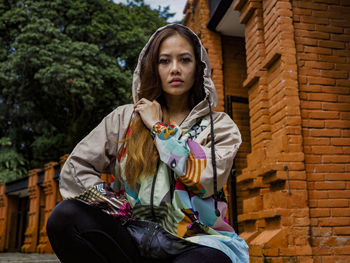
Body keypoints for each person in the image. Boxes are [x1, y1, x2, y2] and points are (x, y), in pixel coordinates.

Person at [46, 24, 249, 263]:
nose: (175, 69)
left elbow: (206, 178)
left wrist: (158, 128)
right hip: (130, 238)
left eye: (185, 60)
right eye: (164, 61)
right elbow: (75, 169)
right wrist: (114, 204)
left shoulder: (220, 126)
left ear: (199, 68)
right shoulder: (123, 119)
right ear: (153, 67)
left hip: (195, 242)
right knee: (65, 217)